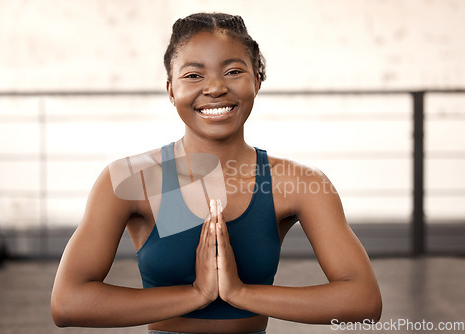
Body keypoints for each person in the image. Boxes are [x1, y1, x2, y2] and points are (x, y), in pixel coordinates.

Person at [51, 12, 382, 333]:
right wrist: (197, 294)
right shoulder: (132, 179)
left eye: (233, 71)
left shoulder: (299, 183)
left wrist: (239, 292)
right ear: (171, 90)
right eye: (193, 75)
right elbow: (68, 303)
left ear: (257, 80)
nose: (214, 88)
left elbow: (363, 301)